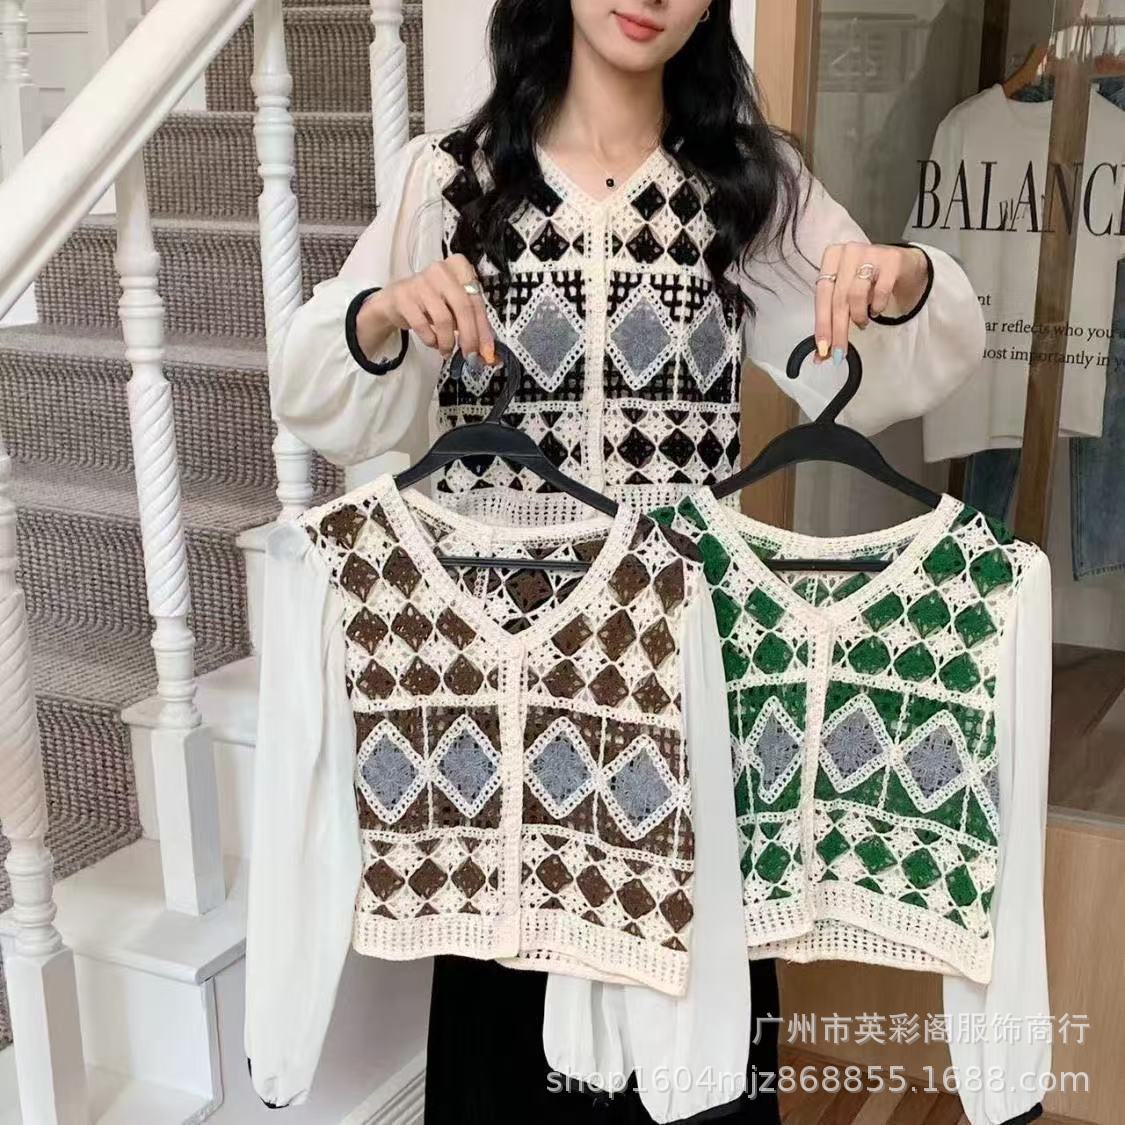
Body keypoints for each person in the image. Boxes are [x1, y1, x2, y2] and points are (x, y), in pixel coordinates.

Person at [269, 2, 985, 1121]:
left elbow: (871, 376)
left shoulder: (749, 188)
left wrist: (899, 285)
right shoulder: (451, 182)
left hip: (673, 678)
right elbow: (320, 395)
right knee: (506, 1049)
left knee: (692, 1057)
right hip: (498, 704)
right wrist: (381, 315)